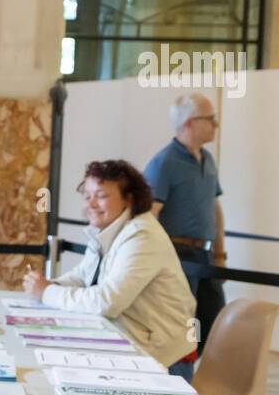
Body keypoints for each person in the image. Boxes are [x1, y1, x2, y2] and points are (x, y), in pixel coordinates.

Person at [24, 160, 197, 378]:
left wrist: (47, 293)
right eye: (87, 196)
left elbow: (107, 302)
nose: (91, 204)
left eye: (101, 195)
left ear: (129, 198)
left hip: (163, 361)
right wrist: (50, 285)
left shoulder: (142, 236)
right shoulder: (108, 229)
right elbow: (82, 277)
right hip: (131, 348)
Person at [144, 93, 227, 358]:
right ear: (190, 123)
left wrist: (220, 253)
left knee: (211, 316)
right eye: (210, 119)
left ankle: (194, 374)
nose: (216, 124)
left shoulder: (208, 159)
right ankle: (179, 377)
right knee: (180, 324)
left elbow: (214, 208)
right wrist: (159, 257)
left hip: (204, 255)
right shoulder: (164, 163)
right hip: (178, 255)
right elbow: (150, 214)